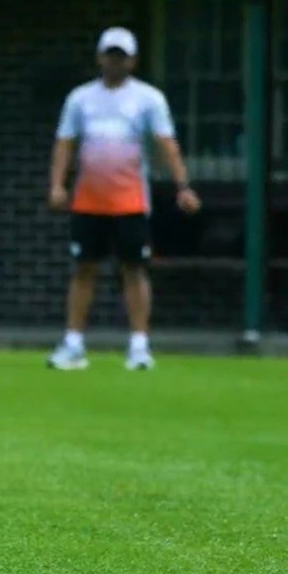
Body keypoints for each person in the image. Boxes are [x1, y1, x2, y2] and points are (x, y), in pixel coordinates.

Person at [46, 27, 200, 371]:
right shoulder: (80, 99)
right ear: (100, 57)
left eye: (122, 55)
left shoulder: (148, 99)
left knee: (134, 270)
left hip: (130, 202)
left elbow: (166, 144)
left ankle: (139, 346)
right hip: (88, 201)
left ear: (132, 60)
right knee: (84, 269)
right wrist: (57, 184)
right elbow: (65, 143)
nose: (116, 61)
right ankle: (73, 344)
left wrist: (182, 186)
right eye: (110, 55)